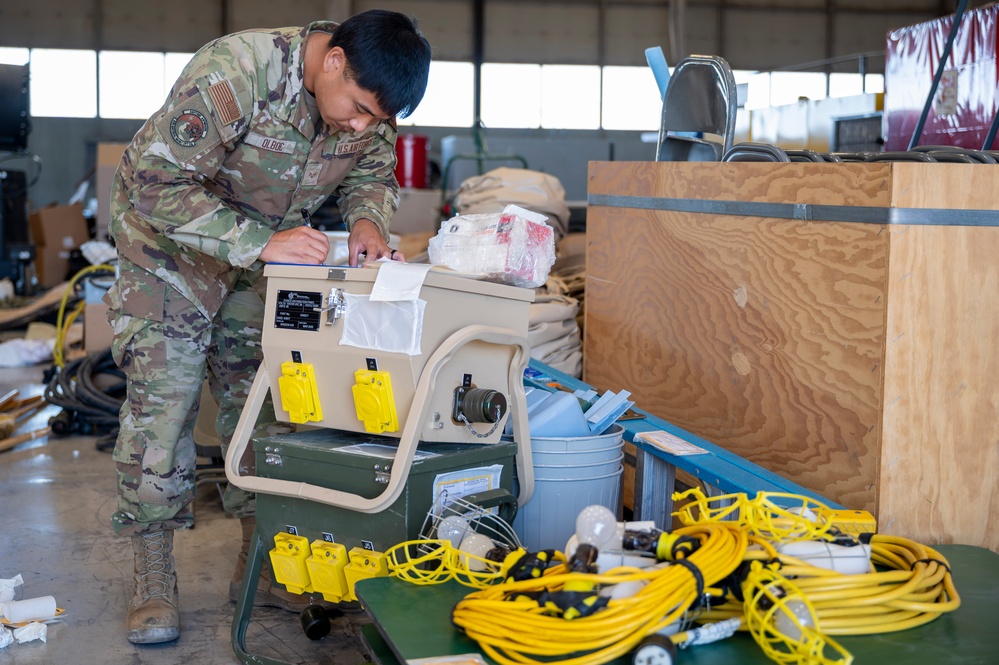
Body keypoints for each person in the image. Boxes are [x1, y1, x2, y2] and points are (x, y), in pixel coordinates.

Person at [103, 9, 431, 644]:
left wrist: (368, 223)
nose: (361, 124)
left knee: (266, 401)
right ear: (333, 60)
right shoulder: (237, 71)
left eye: (377, 119)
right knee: (162, 409)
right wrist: (261, 241)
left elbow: (369, 174)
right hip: (168, 252)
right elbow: (155, 183)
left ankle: (261, 562)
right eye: (359, 108)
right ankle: (152, 570)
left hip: (265, 257)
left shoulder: (367, 106)